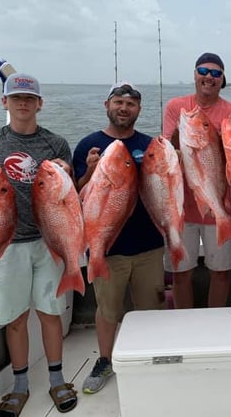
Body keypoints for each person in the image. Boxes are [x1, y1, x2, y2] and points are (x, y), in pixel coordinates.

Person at [0, 71, 77, 416]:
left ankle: (57, 380)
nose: (23, 104)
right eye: (16, 98)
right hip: (7, 245)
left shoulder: (56, 143)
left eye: (29, 99)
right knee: (15, 318)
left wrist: (68, 172)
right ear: (5, 102)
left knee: (50, 313)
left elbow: (69, 196)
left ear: (39, 103)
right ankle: (21, 384)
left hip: (48, 241)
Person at [73, 81, 166, 394]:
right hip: (107, 245)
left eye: (131, 104)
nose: (124, 108)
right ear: (107, 105)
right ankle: (104, 360)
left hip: (150, 244)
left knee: (151, 307)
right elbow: (73, 194)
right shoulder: (89, 144)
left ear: (139, 110)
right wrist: (89, 174)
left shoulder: (150, 144)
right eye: (118, 102)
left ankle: (150, 357)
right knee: (107, 309)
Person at [162, 52, 231, 308]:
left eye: (216, 73)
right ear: (195, 74)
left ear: (222, 79)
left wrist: (212, 140)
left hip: (219, 203)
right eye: (204, 71)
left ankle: (215, 322)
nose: (209, 77)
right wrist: (181, 132)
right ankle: (186, 322)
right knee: (181, 272)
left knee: (220, 272)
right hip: (181, 208)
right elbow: (167, 151)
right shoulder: (175, 107)